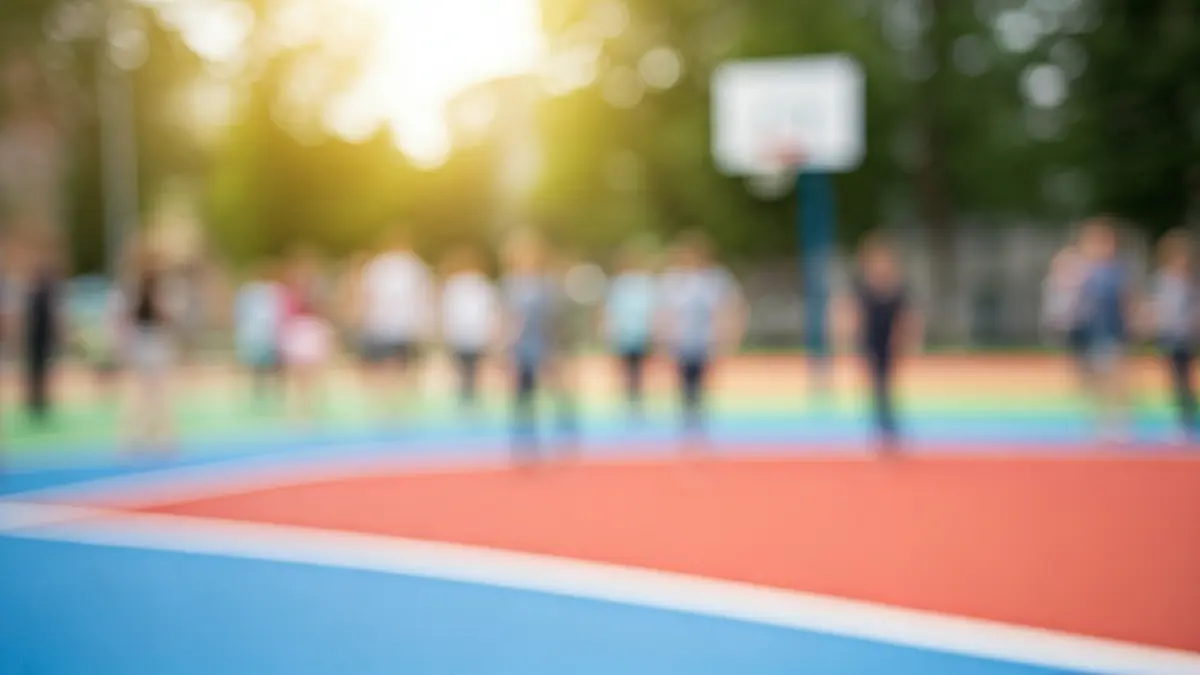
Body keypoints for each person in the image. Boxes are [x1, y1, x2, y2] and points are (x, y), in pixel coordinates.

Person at [834, 233, 921, 453]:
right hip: (870, 343)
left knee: (885, 386)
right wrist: (847, 336)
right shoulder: (862, 286)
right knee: (876, 386)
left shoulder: (897, 288)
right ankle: (884, 428)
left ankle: (889, 428)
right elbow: (851, 311)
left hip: (889, 344)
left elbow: (907, 318)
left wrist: (906, 342)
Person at [657, 231, 745, 441]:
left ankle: (700, 417)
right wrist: (663, 336)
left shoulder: (715, 279)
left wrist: (729, 334)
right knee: (684, 379)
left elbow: (728, 307)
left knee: (702, 378)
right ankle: (688, 417)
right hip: (681, 340)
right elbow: (665, 311)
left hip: (706, 339)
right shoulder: (673, 280)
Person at [357, 230, 433, 417]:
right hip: (400, 324)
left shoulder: (379, 265)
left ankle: (386, 404)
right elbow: (424, 298)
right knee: (402, 365)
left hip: (385, 323)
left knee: (384, 365)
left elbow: (367, 296)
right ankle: (399, 405)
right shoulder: (414, 266)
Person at [1076, 217, 1134, 443]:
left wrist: (1130, 323)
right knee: (1097, 381)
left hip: (1113, 334)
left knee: (1116, 379)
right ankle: (1101, 421)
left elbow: (1125, 300)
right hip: (1092, 335)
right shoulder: (1085, 272)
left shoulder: (1116, 272)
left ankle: (1120, 421)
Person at [502, 231, 556, 464]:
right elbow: (504, 317)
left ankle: (546, 439)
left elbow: (550, 319)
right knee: (520, 395)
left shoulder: (544, 286)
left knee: (542, 393)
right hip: (518, 348)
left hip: (540, 345)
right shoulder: (509, 285)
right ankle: (522, 441)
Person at [123, 244, 176, 453]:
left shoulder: (136, 286)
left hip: (145, 340)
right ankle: (151, 435)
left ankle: (148, 434)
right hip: (150, 340)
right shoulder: (146, 287)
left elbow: (128, 316)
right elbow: (161, 314)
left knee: (148, 391)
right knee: (153, 391)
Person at [1148, 229, 1196, 443]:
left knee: (1185, 379)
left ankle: (1187, 418)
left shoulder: (1192, 282)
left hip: (1185, 337)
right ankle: (1180, 418)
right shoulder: (1163, 280)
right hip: (1168, 336)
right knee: (1174, 380)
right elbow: (1158, 306)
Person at [440, 247, 498, 410]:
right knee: (471, 368)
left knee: (466, 368)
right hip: (471, 333)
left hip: (465, 333)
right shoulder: (478, 284)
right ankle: (469, 397)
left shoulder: (460, 285)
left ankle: (467, 397)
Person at [605, 244, 657, 419]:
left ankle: (636, 401)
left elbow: (651, 309)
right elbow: (611, 310)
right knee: (627, 368)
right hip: (624, 334)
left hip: (639, 333)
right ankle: (629, 400)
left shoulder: (643, 283)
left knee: (638, 369)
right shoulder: (619, 284)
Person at [280, 252, 332, 424]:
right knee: (300, 373)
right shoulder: (293, 291)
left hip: (308, 330)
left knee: (310, 373)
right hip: (301, 331)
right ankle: (301, 409)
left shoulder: (315, 289)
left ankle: (309, 408)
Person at [21, 231, 65, 425]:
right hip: (34, 333)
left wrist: (57, 331)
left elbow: (54, 311)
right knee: (34, 367)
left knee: (44, 367)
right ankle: (34, 401)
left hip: (43, 332)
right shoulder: (33, 286)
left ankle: (42, 401)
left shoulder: (49, 285)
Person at [234, 261, 286, 408]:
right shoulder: (253, 292)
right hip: (258, 335)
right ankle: (260, 395)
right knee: (258, 367)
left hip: (265, 335)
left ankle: (269, 395)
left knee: (272, 366)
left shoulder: (271, 291)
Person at [1041, 243, 1091, 390]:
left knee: (1083, 352)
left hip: (1079, 323)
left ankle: (1086, 378)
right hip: (1065, 323)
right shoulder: (1054, 283)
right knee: (1074, 353)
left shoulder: (1080, 282)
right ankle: (1079, 378)